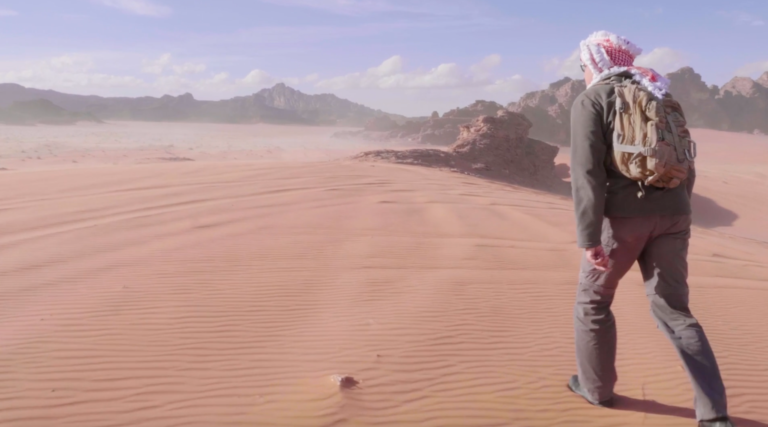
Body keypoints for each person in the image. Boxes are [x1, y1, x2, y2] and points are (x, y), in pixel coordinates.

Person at [566, 31, 734, 427]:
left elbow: (586, 173)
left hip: (623, 221)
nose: (583, 71)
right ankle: (714, 414)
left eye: (583, 64)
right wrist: (679, 210)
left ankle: (596, 389)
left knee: (593, 302)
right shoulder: (659, 94)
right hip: (674, 215)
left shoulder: (593, 99)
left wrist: (589, 237)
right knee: (675, 310)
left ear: (596, 63)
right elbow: (686, 160)